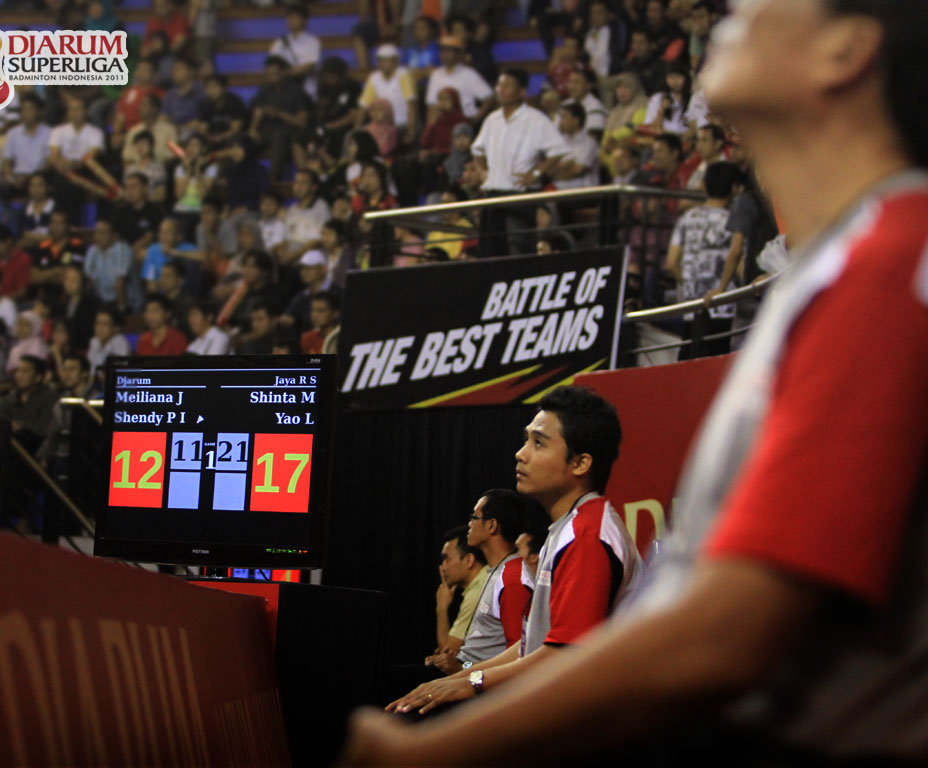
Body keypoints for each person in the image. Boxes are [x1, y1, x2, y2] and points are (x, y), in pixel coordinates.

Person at [342, 1, 928, 764]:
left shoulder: (890, 269)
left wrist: (436, 752)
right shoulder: (842, 266)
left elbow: (726, 635)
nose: (735, 9)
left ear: (845, 50)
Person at [385, 386, 642, 716]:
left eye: (539, 443)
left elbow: (565, 655)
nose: (521, 453)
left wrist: (471, 680)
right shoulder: (567, 527)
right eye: (526, 440)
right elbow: (530, 645)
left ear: (580, 463)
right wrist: (460, 678)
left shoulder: (586, 535)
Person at [428, 490, 535, 676]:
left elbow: (519, 658)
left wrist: (461, 669)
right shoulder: (496, 571)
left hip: (476, 680)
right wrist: (456, 664)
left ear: (492, 525)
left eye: (474, 518)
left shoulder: (513, 578)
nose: (469, 524)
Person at [472, 68, 568, 257]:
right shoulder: (492, 119)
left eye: (507, 86)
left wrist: (536, 174)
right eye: (500, 85)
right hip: (493, 193)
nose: (501, 90)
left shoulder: (536, 119)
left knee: (519, 248)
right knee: (490, 251)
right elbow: (477, 150)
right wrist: (483, 172)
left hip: (520, 193)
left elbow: (558, 151)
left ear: (522, 91)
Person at [665, 161, 738, 358]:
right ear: (734, 188)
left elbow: (671, 264)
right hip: (723, 305)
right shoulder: (734, 221)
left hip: (692, 304)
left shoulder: (686, 218)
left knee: (687, 362)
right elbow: (740, 264)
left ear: (704, 185)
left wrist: (689, 283)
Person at [433, 525, 488, 660]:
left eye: (447, 559)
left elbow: (447, 654)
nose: (443, 567)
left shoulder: (477, 590)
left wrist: (441, 607)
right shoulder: (484, 579)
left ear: (469, 560)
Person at [357, 44, 417, 140]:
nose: (382, 64)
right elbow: (363, 106)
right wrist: (356, 131)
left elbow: (411, 105)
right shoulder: (374, 77)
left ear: (396, 61)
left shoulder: (404, 74)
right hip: (380, 126)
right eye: (380, 60)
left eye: (386, 60)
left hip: (401, 125)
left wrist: (411, 132)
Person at [87, 306, 131, 384]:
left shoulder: (121, 342)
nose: (99, 328)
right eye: (97, 323)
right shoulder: (94, 341)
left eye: (105, 324)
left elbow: (117, 376)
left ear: (116, 328)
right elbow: (92, 373)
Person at [300, 290, 340, 354]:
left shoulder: (342, 339)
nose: (314, 315)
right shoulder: (307, 339)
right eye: (312, 310)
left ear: (335, 313)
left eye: (321, 311)